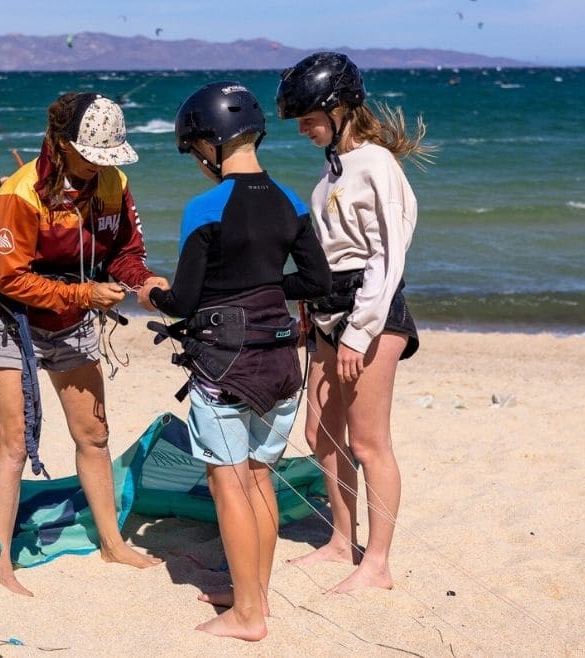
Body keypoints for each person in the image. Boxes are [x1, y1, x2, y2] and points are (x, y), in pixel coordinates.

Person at [137, 81, 330, 641]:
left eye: (195, 149)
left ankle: (247, 616)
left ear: (207, 144)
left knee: (229, 485)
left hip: (224, 366)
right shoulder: (292, 201)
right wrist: (266, 283)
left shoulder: (205, 207)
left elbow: (186, 301)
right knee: (260, 479)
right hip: (280, 366)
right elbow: (318, 281)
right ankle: (254, 596)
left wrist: (151, 293)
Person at [0, 92, 167, 596]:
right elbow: (12, 279)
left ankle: (111, 542)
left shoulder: (115, 182)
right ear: (61, 144)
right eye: (92, 155)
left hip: (74, 318)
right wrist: (85, 292)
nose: (100, 167)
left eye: (108, 158)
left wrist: (145, 285)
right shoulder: (20, 194)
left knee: (95, 436)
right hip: (10, 319)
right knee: (14, 443)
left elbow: (127, 253)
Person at [275, 52, 432, 593]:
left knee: (369, 444)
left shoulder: (377, 164)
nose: (301, 127)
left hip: (373, 313)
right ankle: (342, 541)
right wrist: (308, 312)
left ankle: (379, 564)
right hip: (326, 313)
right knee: (320, 433)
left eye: (307, 116)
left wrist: (361, 330)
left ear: (340, 108)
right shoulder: (333, 167)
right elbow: (329, 253)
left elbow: (390, 256)